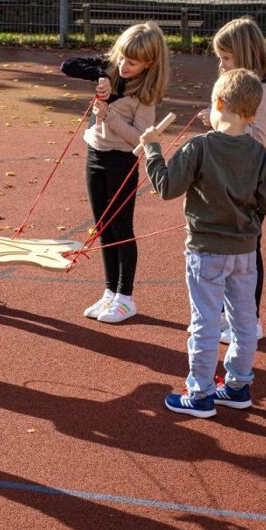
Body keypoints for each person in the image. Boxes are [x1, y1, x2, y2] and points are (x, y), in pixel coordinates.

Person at [141, 68, 266, 418]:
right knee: (244, 320)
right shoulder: (258, 152)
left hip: (206, 251)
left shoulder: (200, 146)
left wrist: (152, 150)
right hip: (245, 252)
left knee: (205, 321)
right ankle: (237, 385)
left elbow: (167, 187)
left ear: (218, 103)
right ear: (252, 113)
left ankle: (201, 392)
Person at [61, 22, 170, 323]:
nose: (123, 65)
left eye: (132, 62)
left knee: (121, 228)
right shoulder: (111, 68)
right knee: (102, 227)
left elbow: (140, 137)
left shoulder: (146, 94)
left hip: (122, 161)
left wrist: (107, 113)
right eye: (121, 57)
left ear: (148, 63)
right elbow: (67, 65)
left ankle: (126, 296)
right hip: (95, 155)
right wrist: (100, 76)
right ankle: (110, 291)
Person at [200, 17, 266, 343]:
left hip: (247, 184)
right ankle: (221, 315)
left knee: (247, 253)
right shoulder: (231, 90)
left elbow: (257, 139)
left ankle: (250, 319)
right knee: (222, 249)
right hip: (224, 181)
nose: (221, 64)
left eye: (226, 58)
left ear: (244, 55)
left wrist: (221, 122)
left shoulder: (261, 92)